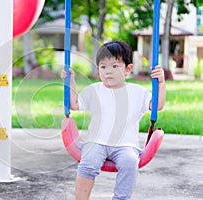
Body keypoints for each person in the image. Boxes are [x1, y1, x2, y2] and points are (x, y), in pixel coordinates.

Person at [61, 41, 166, 200]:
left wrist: (161, 83)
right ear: (98, 70)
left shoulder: (137, 92)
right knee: (88, 162)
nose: (108, 71)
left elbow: (157, 106)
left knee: (130, 163)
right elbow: (74, 104)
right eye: (103, 67)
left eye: (115, 66)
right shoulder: (94, 90)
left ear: (128, 69)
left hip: (125, 145)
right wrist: (70, 81)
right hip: (96, 142)